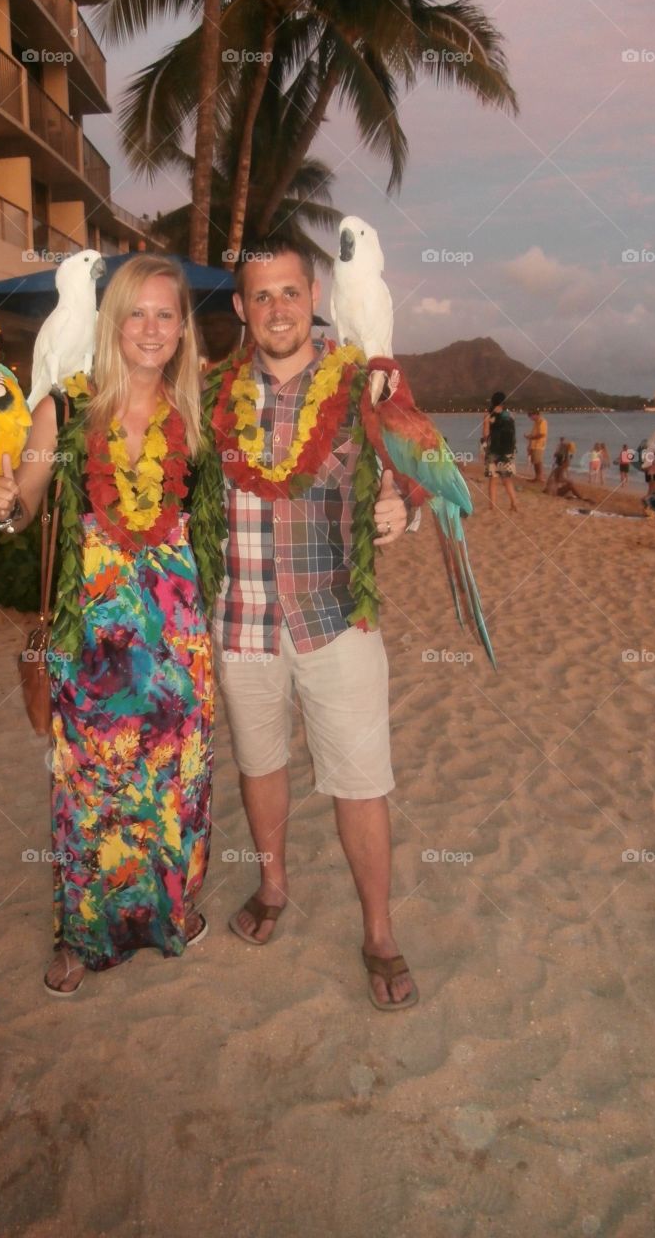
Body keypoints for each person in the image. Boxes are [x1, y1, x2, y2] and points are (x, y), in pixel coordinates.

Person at [0, 256, 216, 997]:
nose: (150, 329)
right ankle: (81, 937)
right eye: (135, 314)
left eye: (165, 315)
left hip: (178, 638)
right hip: (98, 637)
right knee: (92, 789)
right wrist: (2, 503)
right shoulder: (67, 406)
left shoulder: (194, 416)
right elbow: (25, 503)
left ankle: (163, 917)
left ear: (181, 329)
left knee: (172, 786)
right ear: (111, 321)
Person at [210, 238, 416, 1011]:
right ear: (240, 308)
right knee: (259, 766)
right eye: (260, 297)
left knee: (361, 784)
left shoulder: (363, 386)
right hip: (241, 623)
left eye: (289, 293)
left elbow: (409, 477)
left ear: (315, 292)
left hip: (336, 622)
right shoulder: (211, 395)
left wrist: (404, 510)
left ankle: (380, 931)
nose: (277, 310)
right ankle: (272, 886)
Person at [482, 391, 519, 511]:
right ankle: (514, 502)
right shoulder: (511, 415)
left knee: (493, 479)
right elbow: (513, 434)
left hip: (494, 451)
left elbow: (486, 434)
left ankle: (492, 505)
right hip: (508, 451)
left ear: (493, 401)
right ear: (504, 402)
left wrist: (483, 447)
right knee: (506, 478)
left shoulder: (488, 416)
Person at [525, 408, 547, 482]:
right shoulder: (536, 422)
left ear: (536, 415)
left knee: (538, 461)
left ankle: (540, 477)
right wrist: (529, 440)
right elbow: (534, 434)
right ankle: (537, 477)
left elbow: (542, 434)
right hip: (534, 445)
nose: (531, 418)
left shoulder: (542, 421)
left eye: (531, 416)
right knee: (535, 461)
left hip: (539, 445)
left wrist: (531, 437)